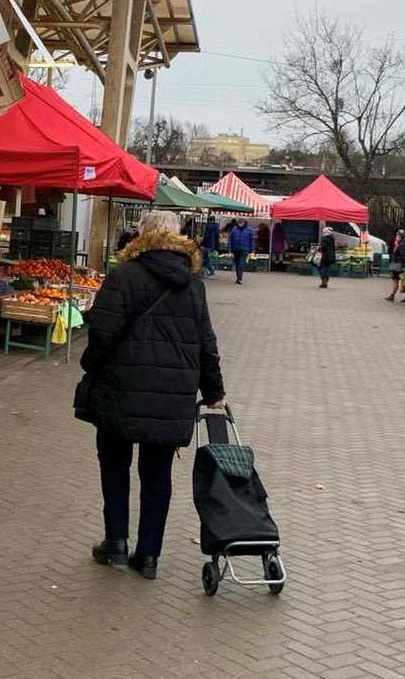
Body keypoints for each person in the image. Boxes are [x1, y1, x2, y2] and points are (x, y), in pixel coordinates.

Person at [76, 210, 225, 581]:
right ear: (178, 239)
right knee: (157, 475)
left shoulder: (123, 276)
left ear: (140, 235)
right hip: (170, 397)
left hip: (118, 390)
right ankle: (149, 555)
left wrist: (89, 365)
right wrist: (214, 392)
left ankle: (117, 543)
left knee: (115, 467)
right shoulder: (193, 285)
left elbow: (102, 334)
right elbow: (207, 343)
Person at [387, 229, 405, 302]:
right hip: (401, 265)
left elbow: (404, 256)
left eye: (397, 236)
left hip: (400, 265)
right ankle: (403, 296)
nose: (396, 237)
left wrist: (404, 266)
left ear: (400, 237)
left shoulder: (403, 245)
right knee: (404, 281)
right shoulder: (403, 244)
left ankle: (403, 296)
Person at [229, 219, 255, 284]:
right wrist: (230, 249)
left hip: (244, 249)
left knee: (241, 264)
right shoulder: (234, 229)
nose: (240, 224)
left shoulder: (249, 230)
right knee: (237, 263)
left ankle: (239, 278)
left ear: (244, 223)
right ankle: (238, 275)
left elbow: (252, 241)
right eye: (239, 223)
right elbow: (230, 239)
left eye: (241, 223)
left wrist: (251, 250)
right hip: (235, 249)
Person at [200, 213, 220, 278]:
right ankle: (206, 272)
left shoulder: (209, 226)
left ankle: (211, 271)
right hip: (212, 244)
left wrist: (202, 243)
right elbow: (217, 237)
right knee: (207, 258)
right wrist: (216, 246)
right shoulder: (216, 226)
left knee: (206, 259)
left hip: (208, 244)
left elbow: (207, 236)